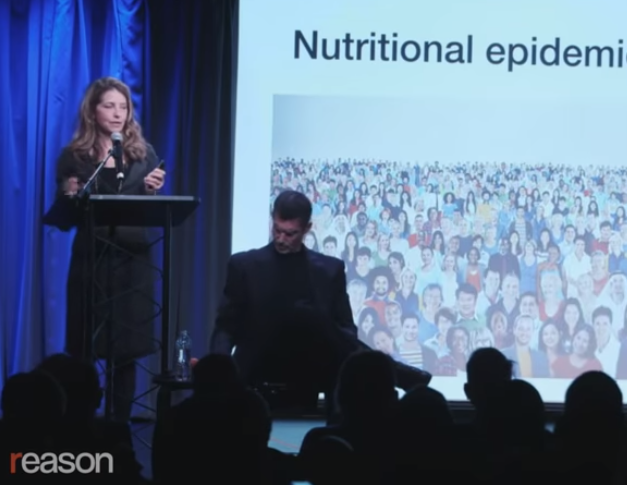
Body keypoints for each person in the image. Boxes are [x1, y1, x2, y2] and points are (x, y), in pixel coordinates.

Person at [210, 190, 431, 416]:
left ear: (307, 228)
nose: (281, 239)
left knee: (318, 321)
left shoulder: (328, 270)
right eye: (277, 230)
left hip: (313, 360)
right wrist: (219, 369)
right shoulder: (244, 266)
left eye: (290, 233)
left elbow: (346, 329)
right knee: (308, 315)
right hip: (258, 358)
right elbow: (226, 325)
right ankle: (395, 373)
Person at [55, 77, 166, 423]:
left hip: (133, 262)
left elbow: (149, 209)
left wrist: (151, 191)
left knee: (126, 351)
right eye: (109, 105)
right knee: (85, 348)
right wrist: (69, 195)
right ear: (92, 111)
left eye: (123, 106)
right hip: (93, 260)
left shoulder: (144, 154)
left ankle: (119, 428)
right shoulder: (74, 157)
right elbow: (65, 214)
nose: (118, 113)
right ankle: (81, 424)